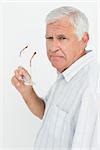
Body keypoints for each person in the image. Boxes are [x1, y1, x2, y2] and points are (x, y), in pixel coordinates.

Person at [11, 6, 100, 150]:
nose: (53, 47)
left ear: (84, 39)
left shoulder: (91, 88)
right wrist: (27, 92)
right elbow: (48, 114)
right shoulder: (68, 72)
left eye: (62, 38)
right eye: (49, 38)